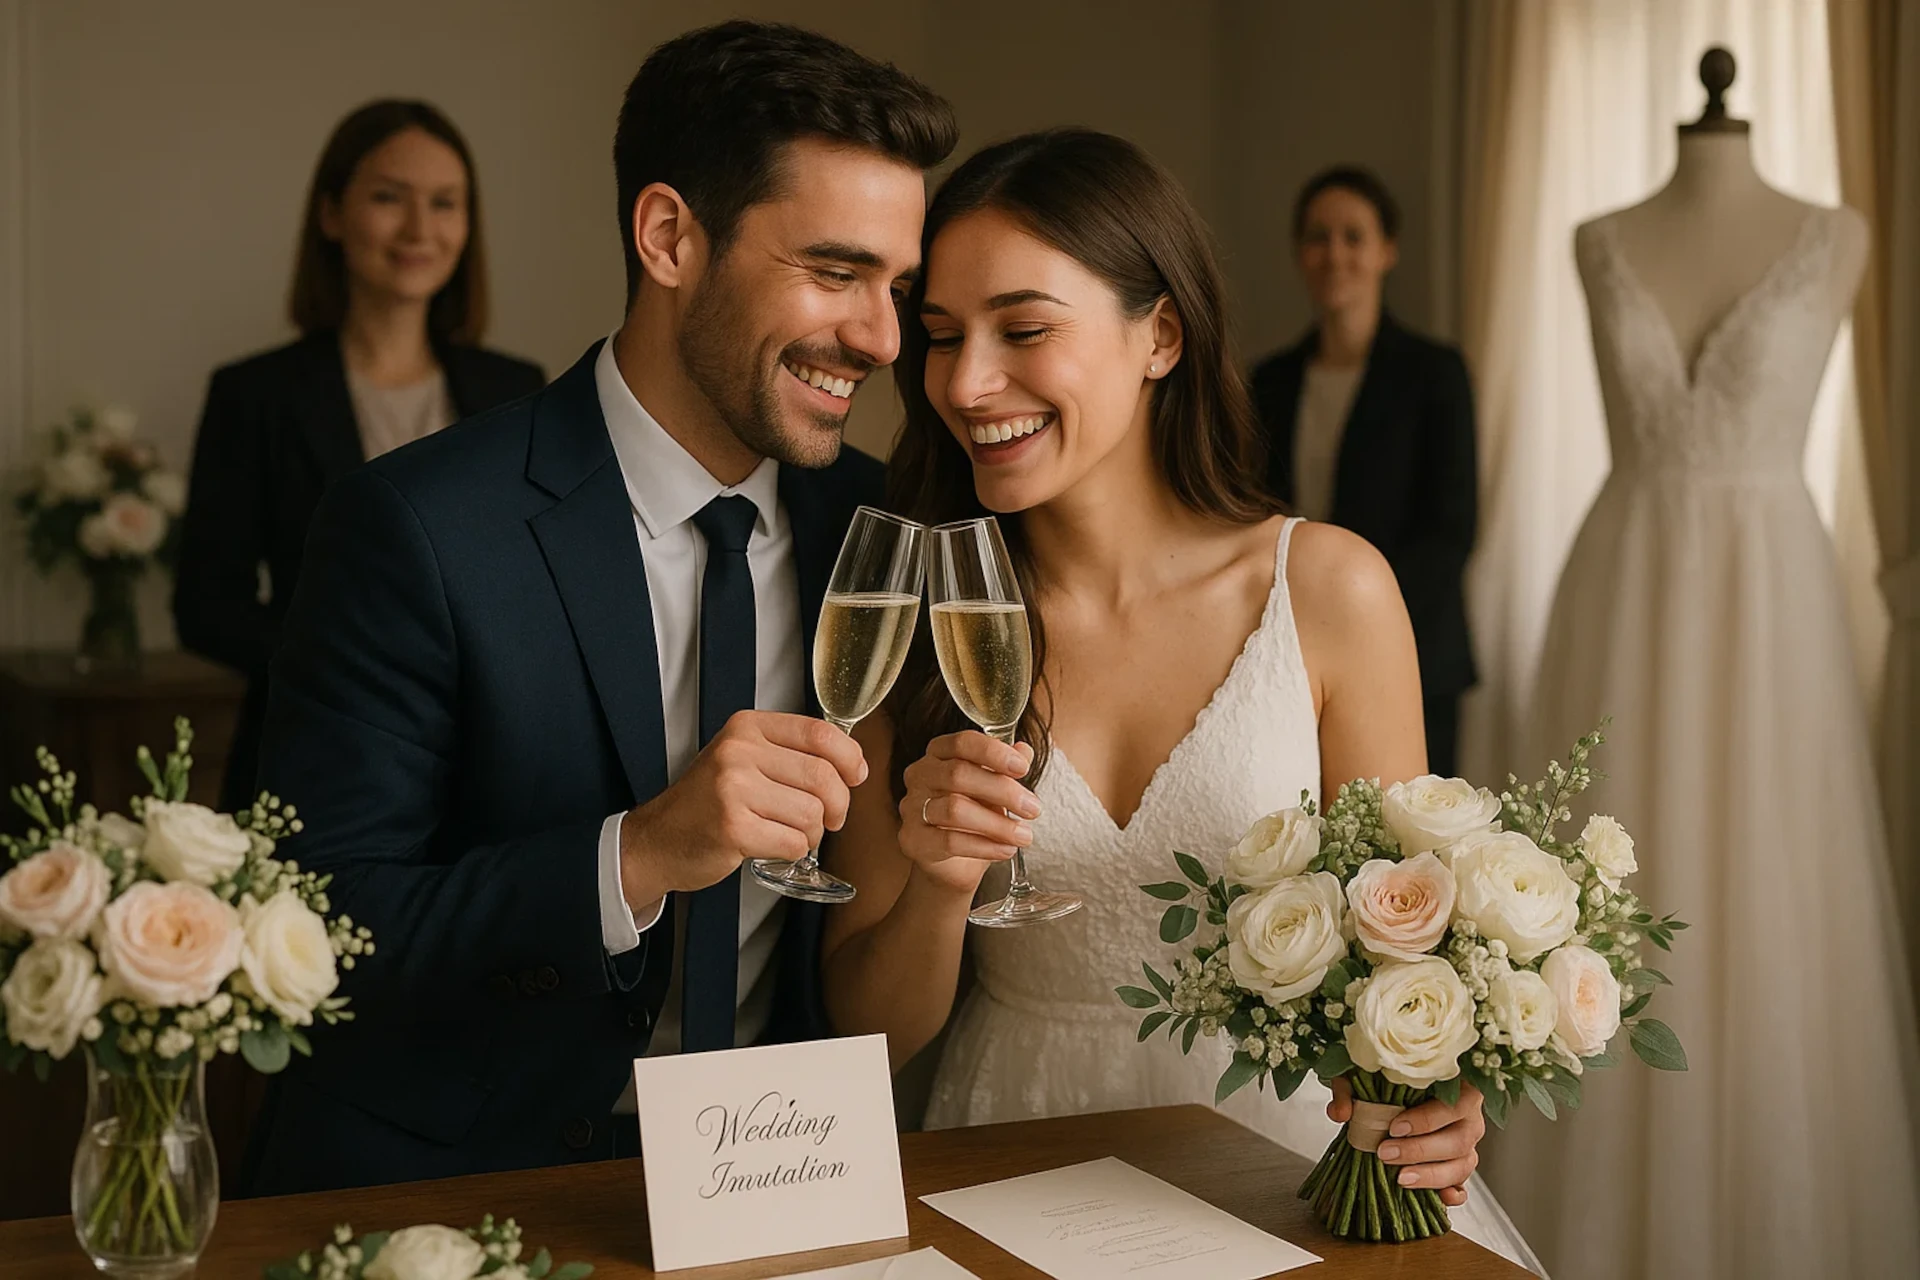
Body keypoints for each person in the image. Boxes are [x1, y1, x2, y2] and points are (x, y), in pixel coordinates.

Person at [241, 22, 955, 1194]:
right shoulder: (413, 526)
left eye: (897, 287)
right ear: (670, 236)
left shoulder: (876, 535)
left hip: (781, 1187)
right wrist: (641, 852)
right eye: (835, 272)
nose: (881, 337)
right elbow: (318, 928)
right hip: (470, 1186)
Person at [821, 129, 1540, 1273]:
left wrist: (1438, 1093)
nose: (964, 383)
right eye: (944, 336)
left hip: (1275, 1168)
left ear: (1159, 333)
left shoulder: (1328, 588)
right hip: (1010, 1148)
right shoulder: (917, 617)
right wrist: (942, 884)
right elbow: (861, 1029)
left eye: (1025, 328)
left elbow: (1411, 955)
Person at [173, 100, 545, 814]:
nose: (419, 230)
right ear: (332, 214)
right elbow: (204, 605)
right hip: (302, 755)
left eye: (445, 204)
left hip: (485, 766)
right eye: (387, 198)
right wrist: (348, 665)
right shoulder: (255, 393)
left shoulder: (516, 390)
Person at [1248, 167, 1477, 775]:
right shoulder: (1269, 382)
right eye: (1318, 237)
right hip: (1287, 651)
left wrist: (1361, 620)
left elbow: (1451, 529)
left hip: (1416, 646)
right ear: (1300, 253)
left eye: (1353, 236)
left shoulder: (1435, 374)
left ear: (1387, 250)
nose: (1335, 254)